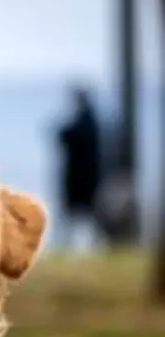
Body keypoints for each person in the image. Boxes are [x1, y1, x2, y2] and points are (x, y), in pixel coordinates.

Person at [55, 86, 102, 251]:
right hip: (87, 178)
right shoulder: (90, 121)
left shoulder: (85, 122)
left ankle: (68, 245)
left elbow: (66, 136)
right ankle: (69, 245)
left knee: (81, 215)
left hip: (81, 179)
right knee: (86, 215)